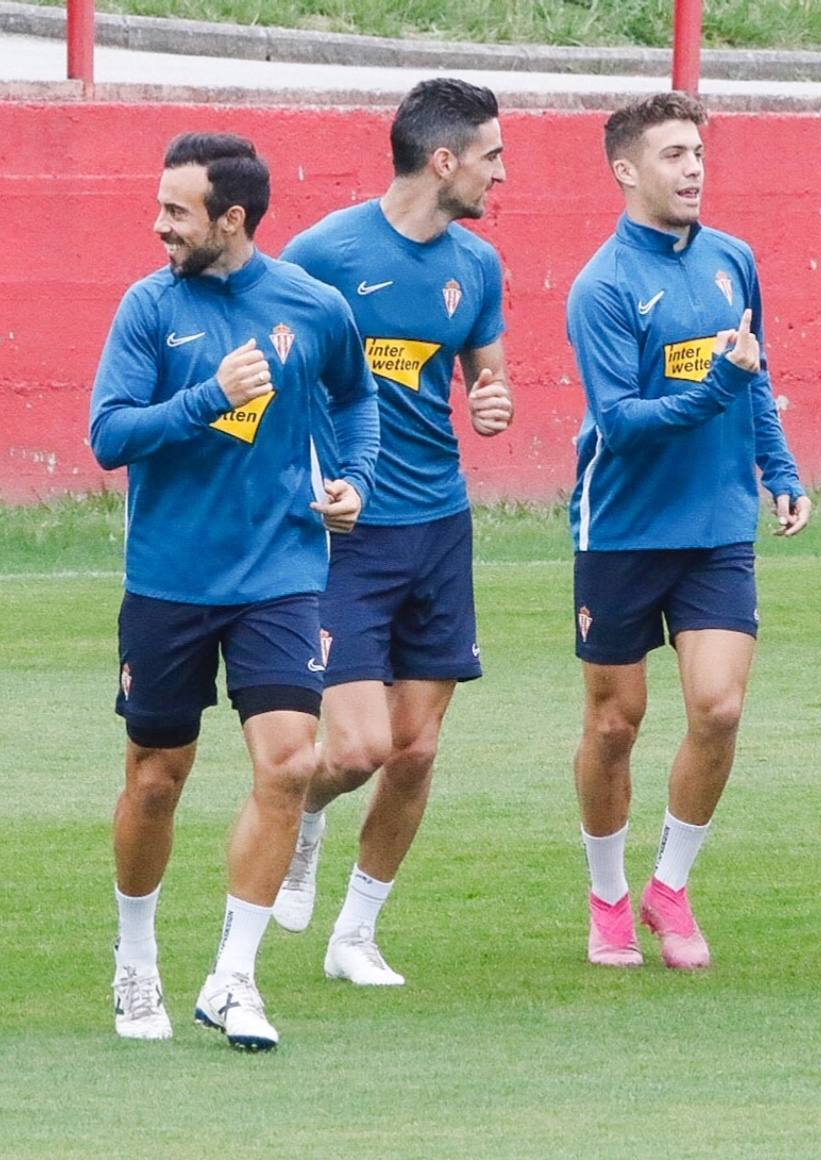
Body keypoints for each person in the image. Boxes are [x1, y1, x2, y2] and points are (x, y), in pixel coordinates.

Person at [89, 132, 379, 1050]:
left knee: (292, 762)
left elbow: (356, 400)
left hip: (282, 574)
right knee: (156, 780)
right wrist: (208, 398)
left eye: (177, 211)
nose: (159, 224)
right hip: (170, 581)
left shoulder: (312, 306)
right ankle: (137, 966)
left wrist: (353, 480)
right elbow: (109, 434)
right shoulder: (147, 309)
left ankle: (233, 978)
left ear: (233, 219)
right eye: (161, 205)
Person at [274, 79, 513, 984]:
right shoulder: (324, 254)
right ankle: (301, 812)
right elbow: (278, 370)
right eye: (491, 155)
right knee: (359, 747)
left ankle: (355, 936)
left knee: (415, 749)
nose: (501, 173)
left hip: (439, 527)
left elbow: (487, 377)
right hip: (347, 532)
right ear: (443, 160)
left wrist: (492, 402)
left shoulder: (477, 265)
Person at [565, 93, 809, 969]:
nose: (694, 168)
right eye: (673, 155)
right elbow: (621, 422)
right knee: (615, 725)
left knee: (720, 706)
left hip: (714, 527)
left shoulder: (732, 260)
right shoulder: (601, 286)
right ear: (627, 171)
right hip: (623, 530)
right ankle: (607, 899)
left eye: (699, 151)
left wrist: (778, 471)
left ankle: (670, 886)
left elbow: (753, 372)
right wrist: (714, 386)